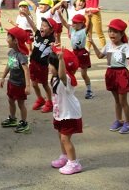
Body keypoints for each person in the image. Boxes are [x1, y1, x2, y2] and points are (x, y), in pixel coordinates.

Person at [88, 19, 129, 134]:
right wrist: (92, 43)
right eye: (110, 31)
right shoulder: (108, 46)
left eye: (115, 32)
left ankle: (128, 123)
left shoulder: (125, 47)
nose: (112, 34)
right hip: (110, 73)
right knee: (117, 101)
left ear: (121, 34)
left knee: (123, 101)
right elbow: (99, 56)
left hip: (121, 74)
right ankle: (119, 120)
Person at [49, 47, 83, 175]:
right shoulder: (54, 78)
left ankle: (74, 163)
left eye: (51, 64)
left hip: (69, 115)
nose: (49, 67)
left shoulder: (66, 80)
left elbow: (63, 74)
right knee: (60, 136)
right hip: (60, 114)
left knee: (65, 139)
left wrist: (61, 59)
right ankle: (65, 156)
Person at [20, 9, 56, 113]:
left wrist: (55, 48)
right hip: (33, 64)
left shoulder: (51, 40)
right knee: (34, 84)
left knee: (44, 84)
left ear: (51, 30)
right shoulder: (38, 34)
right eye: (42, 25)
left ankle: (49, 102)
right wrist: (27, 16)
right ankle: (40, 99)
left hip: (43, 66)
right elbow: (33, 26)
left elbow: (54, 49)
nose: (42, 27)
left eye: (45, 26)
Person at [0, 27, 31, 133]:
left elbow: (26, 71)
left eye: (8, 37)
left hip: (20, 84)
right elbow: (9, 65)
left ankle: (24, 123)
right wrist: (3, 77)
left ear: (15, 40)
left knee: (21, 104)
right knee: (10, 100)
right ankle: (12, 118)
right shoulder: (11, 52)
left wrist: (28, 86)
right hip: (11, 82)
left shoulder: (21, 56)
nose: (6, 39)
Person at [58, 12, 94, 99]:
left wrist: (89, 18)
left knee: (83, 74)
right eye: (73, 22)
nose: (73, 23)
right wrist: (60, 15)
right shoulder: (72, 29)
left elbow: (88, 25)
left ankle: (89, 90)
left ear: (82, 23)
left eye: (75, 22)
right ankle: (68, 88)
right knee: (70, 72)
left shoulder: (83, 31)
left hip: (82, 53)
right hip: (74, 53)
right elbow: (64, 23)